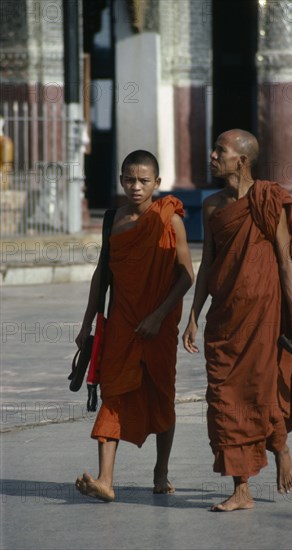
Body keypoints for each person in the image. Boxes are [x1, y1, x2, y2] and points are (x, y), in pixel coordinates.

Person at [183, 129, 292, 512]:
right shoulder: (214, 206)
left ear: (242, 161)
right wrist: (193, 315)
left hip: (265, 314)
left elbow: (285, 261)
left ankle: (279, 446)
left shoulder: (269, 199)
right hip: (225, 318)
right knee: (223, 398)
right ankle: (242, 489)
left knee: (261, 390)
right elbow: (208, 266)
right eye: (214, 147)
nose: (213, 154)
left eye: (221, 150)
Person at [75, 150, 194, 502]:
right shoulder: (113, 219)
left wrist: (159, 316)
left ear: (157, 183)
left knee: (162, 394)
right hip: (123, 324)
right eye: (129, 179)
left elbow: (187, 276)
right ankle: (105, 479)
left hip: (158, 325)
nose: (136, 187)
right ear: (121, 180)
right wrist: (87, 324)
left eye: (144, 181)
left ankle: (161, 471)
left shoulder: (170, 219)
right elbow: (102, 274)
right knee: (113, 393)